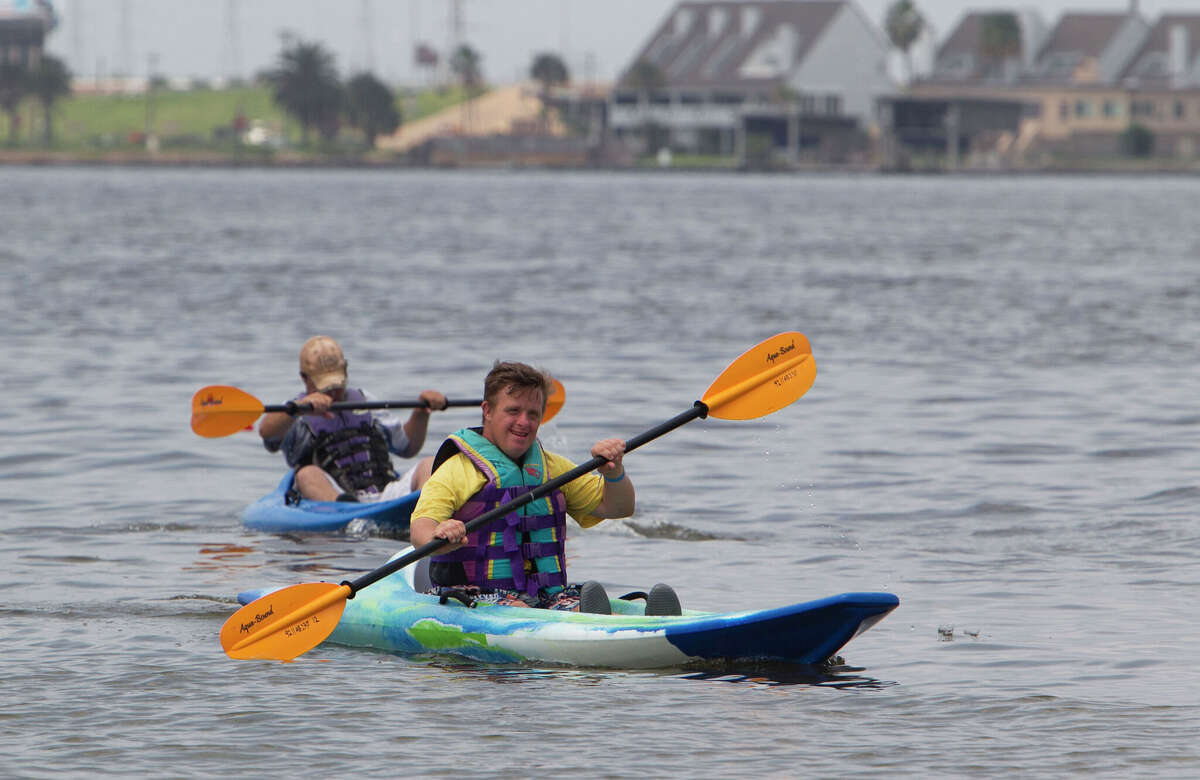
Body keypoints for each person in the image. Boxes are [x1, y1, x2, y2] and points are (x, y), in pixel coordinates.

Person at [410, 360, 680, 615]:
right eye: (513, 411)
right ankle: (594, 626)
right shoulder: (457, 470)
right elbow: (420, 531)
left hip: (545, 595)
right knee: (521, 609)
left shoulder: (553, 468)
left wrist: (614, 473)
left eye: (533, 414)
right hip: (472, 596)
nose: (524, 422)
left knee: (572, 602)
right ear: (488, 411)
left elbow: (619, 507)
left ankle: (640, 621)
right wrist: (441, 535)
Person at [259, 335, 447, 502]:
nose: (333, 391)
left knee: (429, 464)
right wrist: (300, 408)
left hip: (385, 492)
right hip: (335, 497)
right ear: (305, 378)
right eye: (325, 385)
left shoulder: (365, 400)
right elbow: (266, 432)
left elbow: (407, 447)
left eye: (337, 383)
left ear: (346, 370)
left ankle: (425, 509)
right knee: (306, 474)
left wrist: (421, 412)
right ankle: (345, 508)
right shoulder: (293, 410)